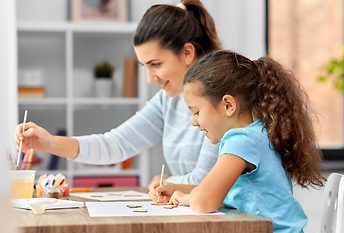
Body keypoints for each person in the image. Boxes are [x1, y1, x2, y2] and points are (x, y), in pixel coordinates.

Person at [13, 0, 222, 198]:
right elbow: (116, 144)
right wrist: (50, 143)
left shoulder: (221, 102)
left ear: (187, 53)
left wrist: (170, 182)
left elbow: (205, 181)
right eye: (145, 66)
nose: (150, 79)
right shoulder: (168, 100)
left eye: (156, 64)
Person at [154, 50, 326, 233]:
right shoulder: (257, 133)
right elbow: (218, 192)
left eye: (196, 112)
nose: (194, 122)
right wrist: (177, 188)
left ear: (228, 105)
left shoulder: (241, 141)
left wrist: (186, 198)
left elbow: (204, 202)